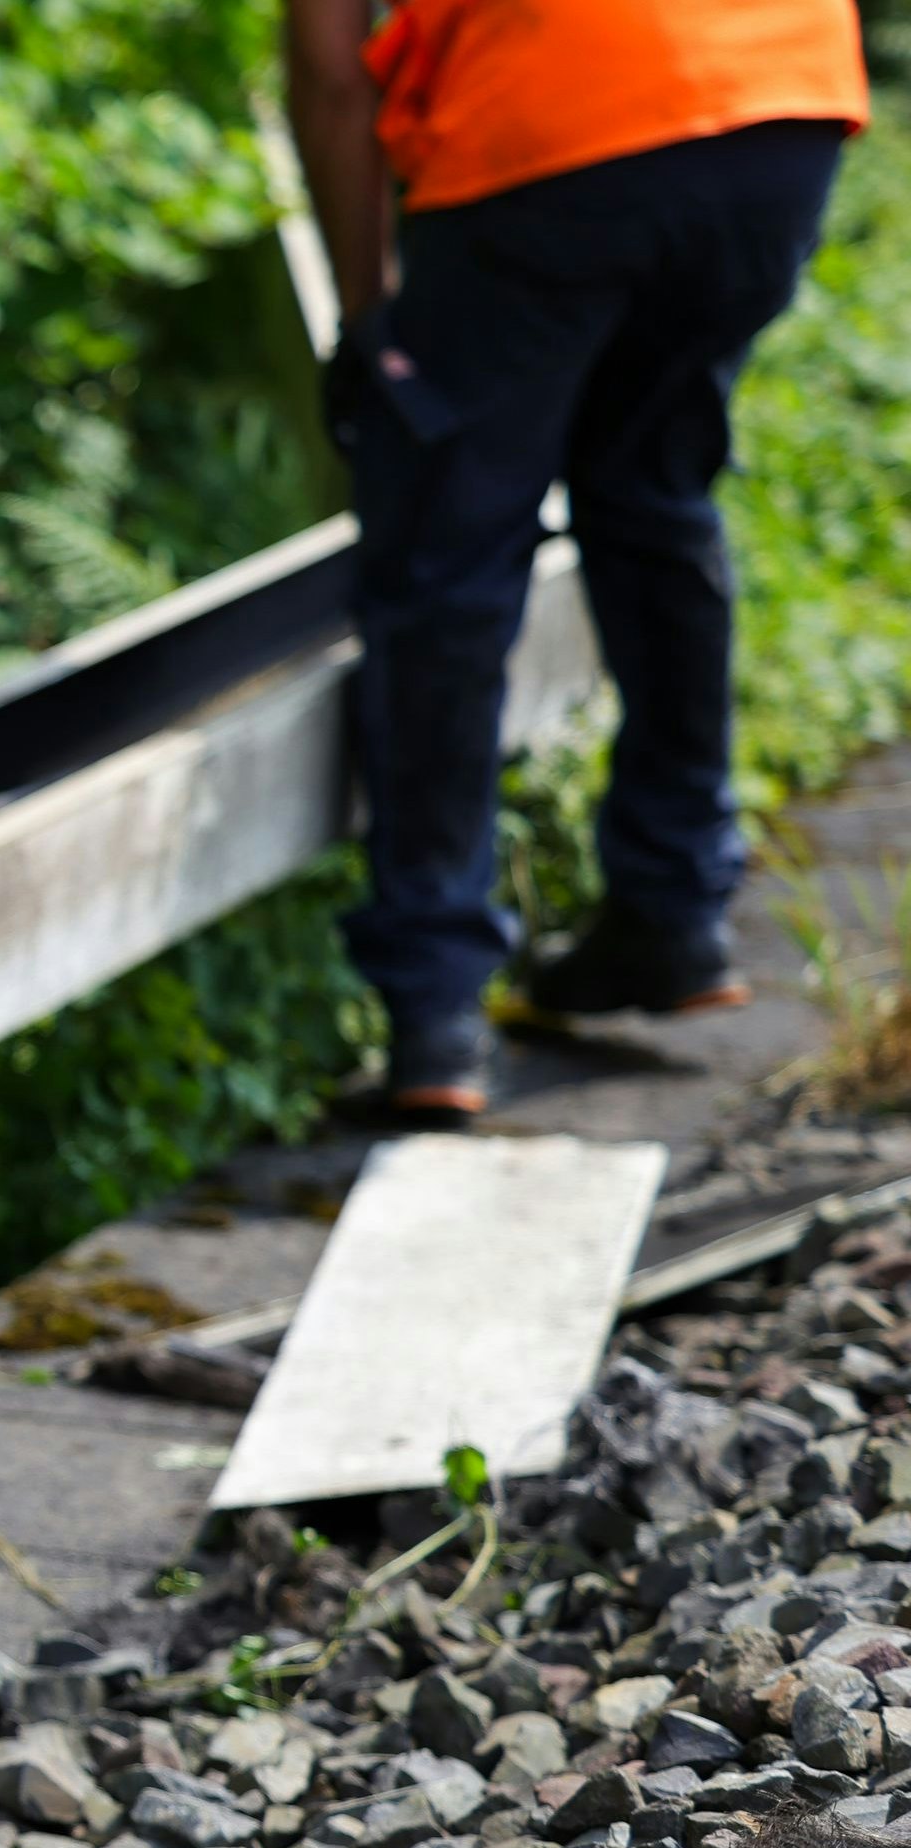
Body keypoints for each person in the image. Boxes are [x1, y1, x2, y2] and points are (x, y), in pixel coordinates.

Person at [285, 0, 869, 1116]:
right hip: (775, 109)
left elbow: (328, 71)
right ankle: (672, 909)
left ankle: (433, 1004)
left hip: (548, 132)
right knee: (653, 494)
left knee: (446, 559)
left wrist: (367, 322)